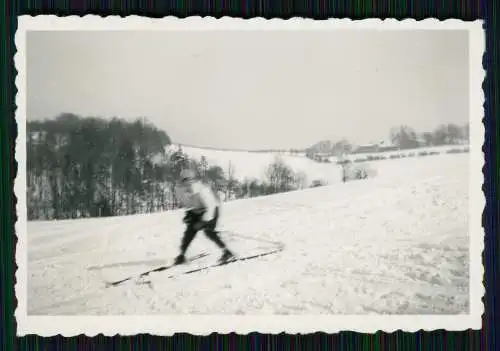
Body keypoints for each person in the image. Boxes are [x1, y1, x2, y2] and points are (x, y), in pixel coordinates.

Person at [173, 168, 234, 265]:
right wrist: (189, 215)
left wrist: (203, 222)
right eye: (184, 181)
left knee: (208, 232)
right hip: (199, 210)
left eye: (188, 180)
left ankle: (227, 252)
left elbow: (210, 207)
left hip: (213, 209)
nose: (186, 184)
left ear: (192, 179)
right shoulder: (181, 190)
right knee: (190, 231)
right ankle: (182, 255)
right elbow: (190, 204)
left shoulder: (202, 189)